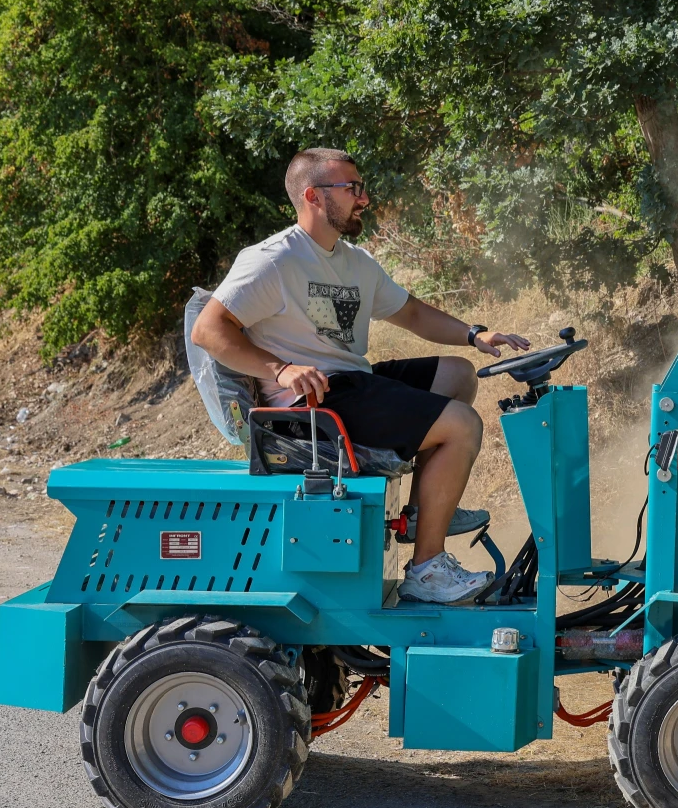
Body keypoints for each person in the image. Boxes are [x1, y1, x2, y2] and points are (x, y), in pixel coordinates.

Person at [191, 147, 530, 603]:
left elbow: (409, 312)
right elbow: (208, 330)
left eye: (360, 187)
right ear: (313, 195)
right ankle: (426, 570)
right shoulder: (273, 260)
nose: (363, 198)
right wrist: (282, 369)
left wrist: (474, 333)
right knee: (462, 426)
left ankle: (416, 514)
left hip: (350, 384)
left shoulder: (355, 261)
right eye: (351, 188)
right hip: (309, 408)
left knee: (458, 375)